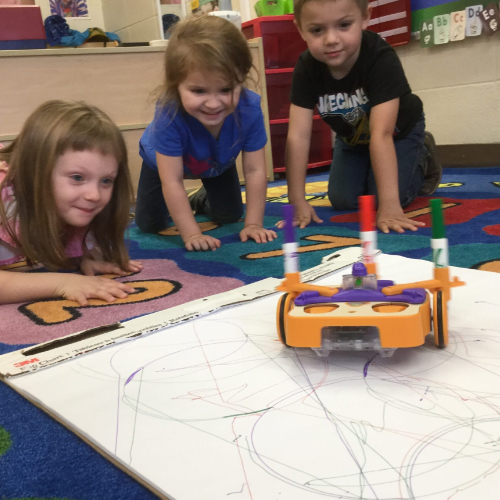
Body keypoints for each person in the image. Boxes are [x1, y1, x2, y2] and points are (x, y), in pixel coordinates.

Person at [280, 0, 442, 233]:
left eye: (344, 25)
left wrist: (389, 205)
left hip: (397, 133)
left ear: (366, 17)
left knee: (389, 197)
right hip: (353, 139)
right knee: (342, 199)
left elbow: (382, 134)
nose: (331, 40)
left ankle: (423, 153)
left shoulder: (379, 57)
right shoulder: (306, 67)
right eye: (317, 30)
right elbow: (297, 137)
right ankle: (370, 170)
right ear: (300, 29)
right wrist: (297, 201)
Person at [136, 15, 277, 251]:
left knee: (230, 215)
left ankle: (199, 198)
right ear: (176, 85)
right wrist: (191, 234)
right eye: (199, 91)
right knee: (149, 223)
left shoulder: (249, 108)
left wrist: (253, 223)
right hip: (161, 165)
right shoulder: (168, 113)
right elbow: (170, 180)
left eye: (225, 89)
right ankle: (188, 203)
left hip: (218, 162)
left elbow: (255, 170)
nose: (213, 104)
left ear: (241, 79)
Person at [0, 100, 142, 305]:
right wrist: (61, 282)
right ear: (34, 174)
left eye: (106, 181)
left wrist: (84, 257)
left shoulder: (71, 203)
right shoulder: (5, 202)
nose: (94, 195)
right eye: (77, 178)